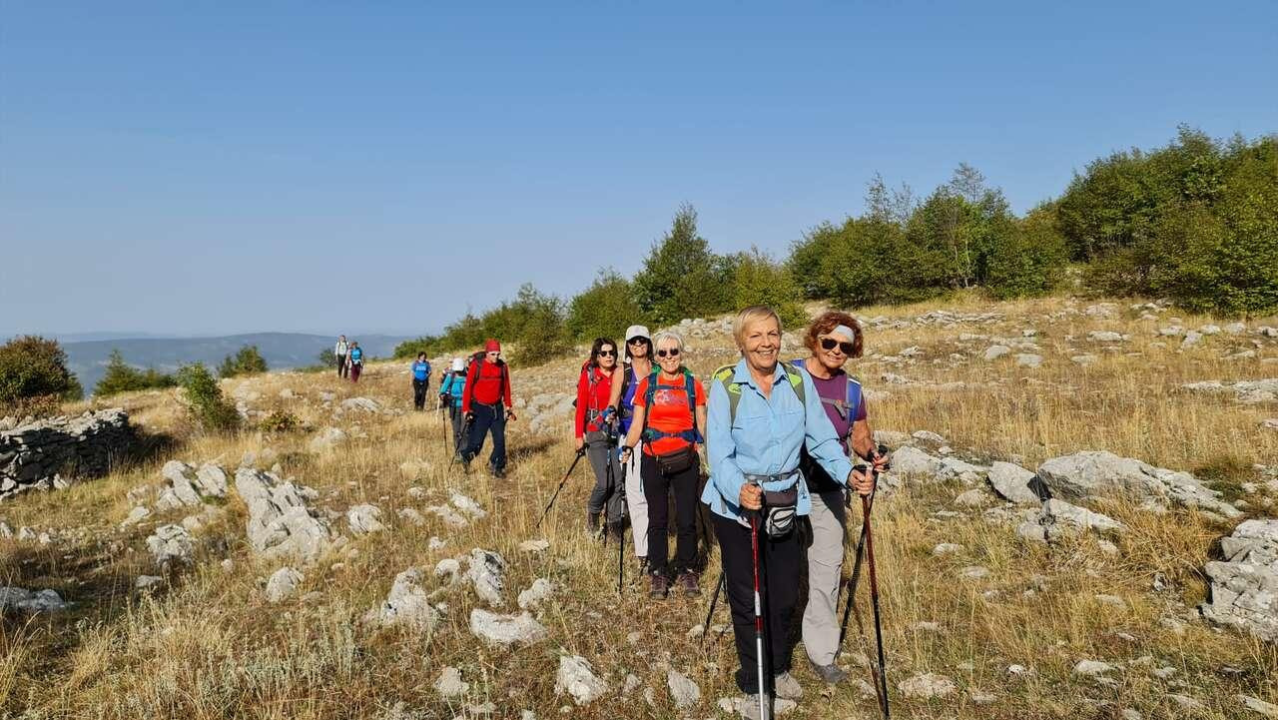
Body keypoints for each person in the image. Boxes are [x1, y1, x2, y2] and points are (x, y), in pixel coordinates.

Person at [702, 306, 874, 718]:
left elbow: (821, 440)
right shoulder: (727, 384)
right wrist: (738, 488)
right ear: (741, 342)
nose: (766, 343)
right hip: (737, 507)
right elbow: (718, 452)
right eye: (757, 335)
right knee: (748, 599)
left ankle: (778, 667)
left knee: (781, 597)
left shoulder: (796, 382)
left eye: (773, 333)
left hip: (785, 501)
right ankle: (754, 681)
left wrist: (848, 472)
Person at [792, 312, 887, 685]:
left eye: (845, 346)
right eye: (829, 342)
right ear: (815, 339)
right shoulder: (790, 375)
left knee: (828, 568)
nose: (836, 350)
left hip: (829, 487)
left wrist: (871, 453)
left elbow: (860, 436)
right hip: (784, 484)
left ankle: (821, 651)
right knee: (778, 566)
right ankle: (772, 640)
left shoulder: (852, 390)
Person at [621, 330, 707, 599]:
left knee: (686, 519)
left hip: (686, 458)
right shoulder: (648, 384)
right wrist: (627, 446)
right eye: (663, 352)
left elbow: (702, 423)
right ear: (656, 355)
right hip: (653, 457)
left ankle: (688, 569)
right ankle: (658, 572)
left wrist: (713, 448)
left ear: (681, 353)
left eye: (674, 351)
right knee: (656, 518)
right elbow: (637, 423)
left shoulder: (693, 384)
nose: (669, 357)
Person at [607, 325, 652, 568]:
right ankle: (643, 550)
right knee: (635, 492)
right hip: (630, 437)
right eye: (633, 342)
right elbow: (614, 397)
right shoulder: (622, 371)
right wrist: (611, 412)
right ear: (627, 345)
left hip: (656, 437)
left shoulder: (656, 368)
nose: (638, 345)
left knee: (655, 492)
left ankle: (656, 541)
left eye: (642, 341)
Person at [576, 338, 623, 537]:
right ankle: (593, 512)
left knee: (618, 480)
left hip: (617, 431)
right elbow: (581, 409)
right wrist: (579, 436)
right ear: (596, 355)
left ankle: (613, 524)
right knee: (605, 481)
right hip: (595, 430)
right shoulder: (590, 376)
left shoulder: (620, 375)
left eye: (611, 352)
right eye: (603, 353)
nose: (608, 356)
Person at [461, 339, 517, 478]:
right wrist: (466, 409)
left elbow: (506, 387)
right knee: (477, 442)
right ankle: (466, 457)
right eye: (493, 354)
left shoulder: (502, 367)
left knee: (500, 441)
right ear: (486, 353)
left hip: (496, 408)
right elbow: (468, 388)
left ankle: (497, 467)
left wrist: (508, 406)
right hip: (479, 408)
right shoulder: (476, 366)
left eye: (498, 354)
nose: (496, 357)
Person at [440, 357, 468, 452]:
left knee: (464, 430)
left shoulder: (468, 376)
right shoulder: (450, 377)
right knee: (456, 431)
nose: (458, 372)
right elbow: (443, 389)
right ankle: (458, 451)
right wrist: (442, 394)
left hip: (466, 407)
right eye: (457, 371)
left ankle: (464, 452)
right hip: (454, 406)